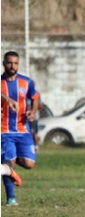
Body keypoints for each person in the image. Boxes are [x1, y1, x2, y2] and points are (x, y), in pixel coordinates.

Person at [1, 51, 39, 206]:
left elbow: (35, 98)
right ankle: (11, 198)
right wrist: (7, 99)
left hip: (23, 130)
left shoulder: (26, 82)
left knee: (29, 164)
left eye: (15, 63)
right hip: (4, 131)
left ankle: (8, 167)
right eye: (9, 62)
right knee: (8, 162)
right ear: (4, 63)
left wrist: (33, 111)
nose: (12, 66)